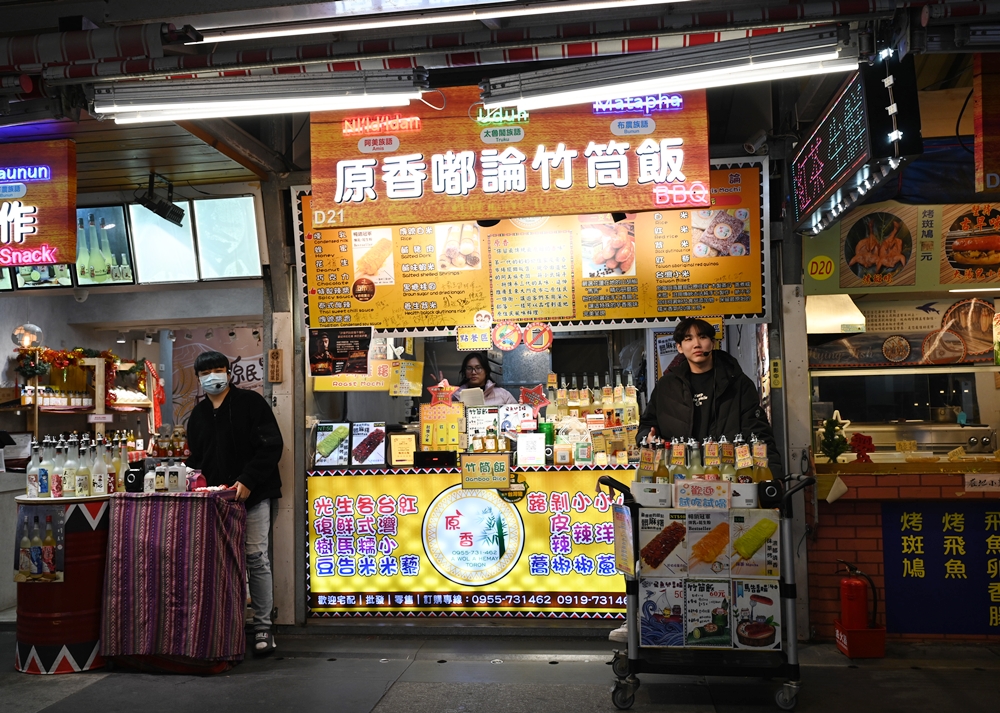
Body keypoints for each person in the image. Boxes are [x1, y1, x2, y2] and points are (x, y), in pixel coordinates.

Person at [609, 317, 782, 643]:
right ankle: (642, 619)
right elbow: (647, 426)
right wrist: (648, 436)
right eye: (688, 339)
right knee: (660, 553)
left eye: (702, 337)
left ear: (712, 341)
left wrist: (775, 480)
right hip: (678, 483)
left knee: (721, 556)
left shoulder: (738, 383)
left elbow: (760, 434)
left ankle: (729, 623)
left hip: (729, 482)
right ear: (679, 347)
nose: (696, 343)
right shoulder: (668, 386)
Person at [186, 351, 283, 656]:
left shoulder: (251, 403)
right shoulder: (198, 415)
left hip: (254, 495)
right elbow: (196, 459)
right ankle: (228, 624)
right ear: (199, 378)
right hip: (216, 501)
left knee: (256, 558)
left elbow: (271, 446)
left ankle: (263, 625)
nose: (213, 376)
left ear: (229, 373)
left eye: (218, 370)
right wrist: (192, 479)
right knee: (222, 563)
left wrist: (248, 480)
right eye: (206, 372)